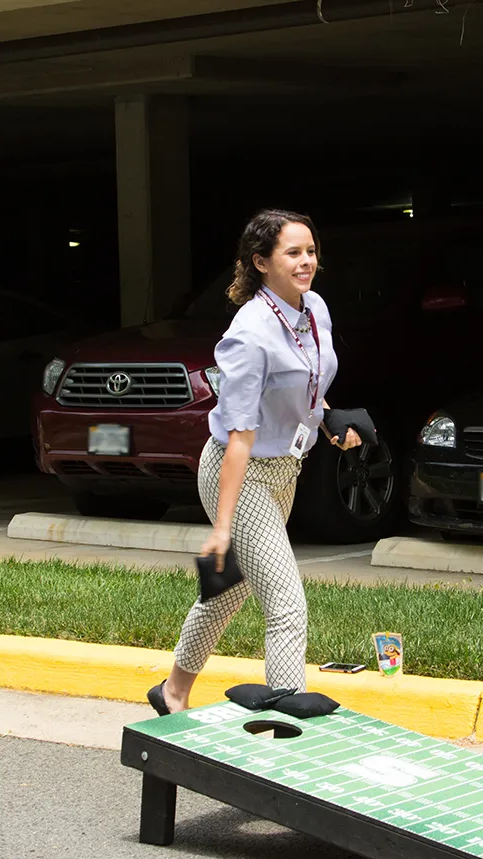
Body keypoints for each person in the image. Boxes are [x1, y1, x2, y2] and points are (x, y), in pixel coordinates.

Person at [149, 209, 361, 715]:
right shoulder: (250, 333)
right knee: (286, 605)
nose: (306, 261)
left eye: (310, 251)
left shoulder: (315, 309)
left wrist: (329, 421)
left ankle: (172, 691)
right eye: (293, 253)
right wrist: (222, 528)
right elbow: (240, 436)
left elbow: (311, 385)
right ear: (261, 262)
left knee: (228, 591)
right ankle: (287, 732)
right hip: (239, 472)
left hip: (285, 471)